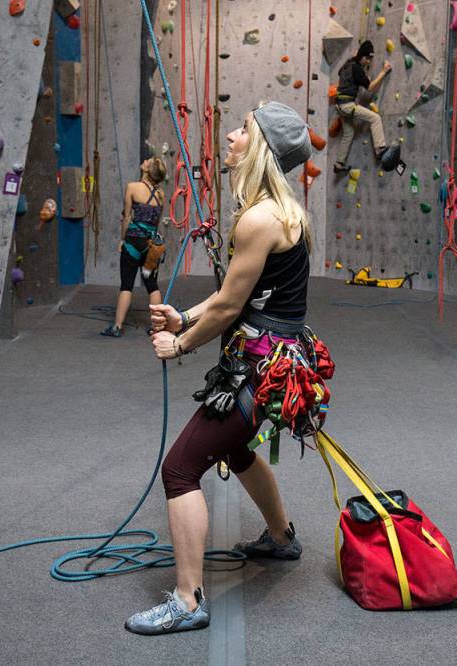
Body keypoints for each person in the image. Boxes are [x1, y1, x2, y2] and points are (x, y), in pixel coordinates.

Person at [125, 102, 314, 635]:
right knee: (233, 446)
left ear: (261, 150)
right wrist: (184, 313)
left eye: (243, 130)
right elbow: (238, 293)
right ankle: (281, 537)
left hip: (258, 373)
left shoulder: (258, 220)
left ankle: (188, 601)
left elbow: (231, 309)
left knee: (180, 470)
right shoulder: (281, 212)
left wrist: (179, 344)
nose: (230, 135)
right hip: (272, 365)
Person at [101, 157, 167, 337]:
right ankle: (157, 327)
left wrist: (122, 240)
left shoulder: (132, 187)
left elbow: (127, 217)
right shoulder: (161, 194)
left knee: (126, 285)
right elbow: (157, 222)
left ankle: (117, 327)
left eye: (148, 161)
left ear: (148, 169)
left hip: (132, 242)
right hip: (150, 245)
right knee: (152, 285)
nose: (145, 160)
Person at [334, 40, 392, 174]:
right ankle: (379, 149)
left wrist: (357, 58)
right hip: (348, 105)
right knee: (375, 118)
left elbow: (339, 72)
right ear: (363, 56)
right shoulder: (357, 69)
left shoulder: (347, 64)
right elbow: (370, 88)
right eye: (367, 59)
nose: (369, 63)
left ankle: (338, 164)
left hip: (340, 106)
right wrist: (383, 71)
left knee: (349, 133)